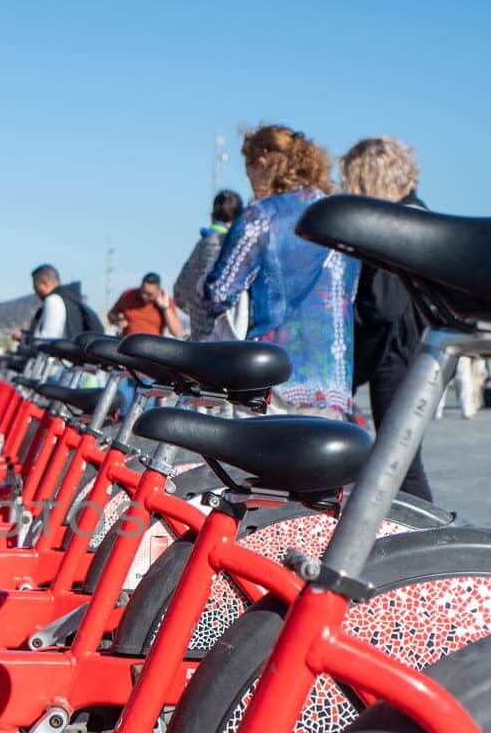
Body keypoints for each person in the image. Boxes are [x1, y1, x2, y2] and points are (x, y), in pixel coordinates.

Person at [204, 125, 357, 418]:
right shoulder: (341, 216)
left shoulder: (261, 215)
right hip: (333, 380)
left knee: (262, 462)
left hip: (274, 376)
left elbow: (218, 294)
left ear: (261, 162)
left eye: (249, 172)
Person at [338, 136, 432, 500]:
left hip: (397, 352)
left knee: (401, 462)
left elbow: (383, 305)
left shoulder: (398, 223)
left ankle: (424, 542)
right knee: (402, 460)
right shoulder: (418, 214)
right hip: (413, 348)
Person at [174, 190, 243, 340]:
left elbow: (179, 295)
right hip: (226, 342)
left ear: (212, 215)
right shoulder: (238, 248)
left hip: (199, 342)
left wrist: (197, 310)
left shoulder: (202, 245)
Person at [14, 264, 99, 344]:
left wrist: (23, 337)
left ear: (45, 284)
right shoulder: (71, 300)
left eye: (36, 287)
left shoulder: (53, 300)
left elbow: (46, 340)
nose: (35, 292)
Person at [108, 272, 183, 337]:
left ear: (158, 291)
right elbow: (111, 315)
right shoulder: (128, 295)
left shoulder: (166, 302)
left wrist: (166, 308)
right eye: (142, 291)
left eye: (149, 294)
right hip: (128, 345)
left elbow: (177, 332)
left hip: (151, 347)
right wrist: (117, 320)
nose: (144, 296)